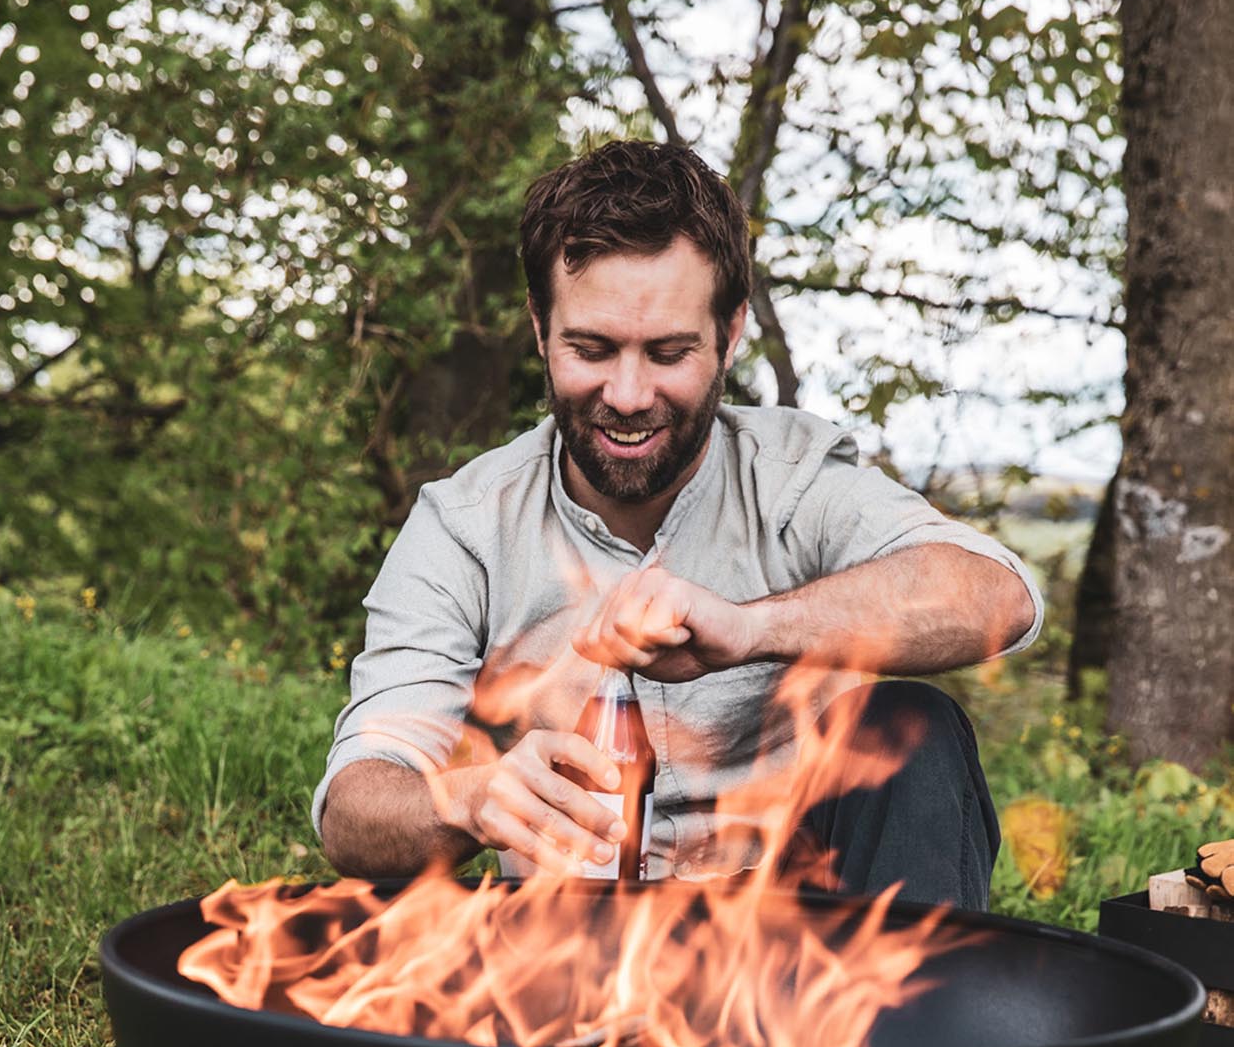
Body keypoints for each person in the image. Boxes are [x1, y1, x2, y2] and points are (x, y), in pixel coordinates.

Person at [314, 140, 1041, 909]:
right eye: (591, 349)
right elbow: (354, 810)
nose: (627, 395)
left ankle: (919, 1027)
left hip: (805, 954)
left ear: (729, 333)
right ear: (539, 329)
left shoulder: (793, 480)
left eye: (667, 352)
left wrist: (749, 629)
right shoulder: (464, 526)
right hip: (567, 946)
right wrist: (466, 800)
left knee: (914, 728)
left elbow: (998, 599)